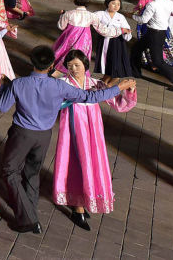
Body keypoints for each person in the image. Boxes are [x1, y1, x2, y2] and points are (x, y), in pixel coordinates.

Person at [0, 45, 135, 233]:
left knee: (10, 172)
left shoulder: (19, 84)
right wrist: (119, 87)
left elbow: (2, 107)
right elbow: (90, 97)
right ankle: (30, 210)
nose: (73, 69)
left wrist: (4, 86)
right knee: (32, 172)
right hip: (44, 136)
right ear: (52, 64)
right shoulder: (60, 85)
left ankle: (28, 218)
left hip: (22, 133)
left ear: (32, 61)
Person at [51, 50, 136, 230]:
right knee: (76, 162)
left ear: (85, 66)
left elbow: (119, 104)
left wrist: (129, 91)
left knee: (91, 162)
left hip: (93, 131)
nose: (74, 69)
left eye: (77, 65)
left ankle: (83, 199)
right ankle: (77, 206)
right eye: (70, 66)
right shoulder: (63, 84)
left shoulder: (95, 84)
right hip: (72, 130)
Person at [91, 0, 134, 77]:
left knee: (116, 66)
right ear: (107, 4)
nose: (116, 6)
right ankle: (104, 82)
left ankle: (106, 83)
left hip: (117, 43)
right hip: (104, 41)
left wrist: (127, 33)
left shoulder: (120, 17)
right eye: (113, 3)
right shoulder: (100, 14)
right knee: (106, 64)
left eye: (118, 4)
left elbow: (127, 30)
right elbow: (88, 17)